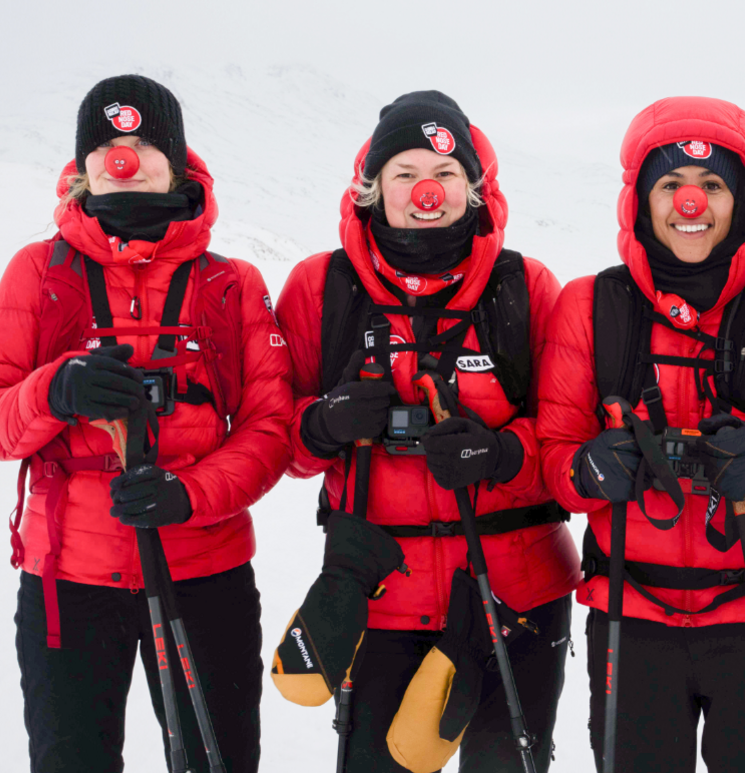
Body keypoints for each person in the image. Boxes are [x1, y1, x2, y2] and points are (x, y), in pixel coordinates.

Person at [0, 74, 292, 772]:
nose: (125, 157)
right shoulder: (38, 272)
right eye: (108, 145)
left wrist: (189, 494)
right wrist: (57, 390)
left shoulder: (230, 284)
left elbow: (270, 429)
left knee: (218, 761)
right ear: (83, 167)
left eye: (143, 143)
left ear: (178, 161)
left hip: (205, 571)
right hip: (67, 580)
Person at [273, 90, 579, 772]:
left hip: (518, 598)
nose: (424, 192)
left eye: (443, 174)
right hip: (379, 602)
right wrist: (322, 423)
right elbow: (274, 442)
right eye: (404, 174)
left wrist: (502, 453)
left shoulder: (525, 287)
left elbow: (569, 446)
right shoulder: (322, 288)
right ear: (371, 185)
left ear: (473, 187)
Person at [537, 96, 745, 773]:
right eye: (670, 184)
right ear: (639, 200)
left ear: (743, 203)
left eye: (713, 186)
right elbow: (551, 456)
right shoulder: (590, 305)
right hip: (629, 620)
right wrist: (585, 470)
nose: (689, 204)